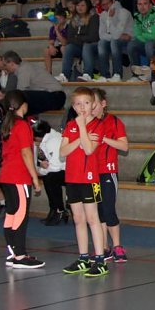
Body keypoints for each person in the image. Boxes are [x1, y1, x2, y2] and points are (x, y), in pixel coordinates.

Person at [60, 87, 108, 278]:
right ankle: (83, 258)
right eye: (78, 104)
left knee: (92, 218)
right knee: (78, 219)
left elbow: (89, 149)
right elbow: (62, 151)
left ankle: (100, 259)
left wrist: (81, 130)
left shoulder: (97, 125)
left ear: (93, 105)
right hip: (72, 178)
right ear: (73, 106)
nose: (82, 107)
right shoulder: (70, 125)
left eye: (86, 103)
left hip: (90, 179)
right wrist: (78, 140)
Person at [0, 91, 44, 268]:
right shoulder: (22, 125)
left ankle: (12, 252)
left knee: (11, 213)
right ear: (23, 105)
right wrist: (35, 178)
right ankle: (20, 254)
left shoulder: (8, 124)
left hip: (7, 176)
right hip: (18, 177)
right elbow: (26, 153)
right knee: (21, 214)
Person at [91, 89, 129, 264]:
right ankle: (104, 247)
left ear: (103, 104)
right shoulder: (85, 124)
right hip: (91, 173)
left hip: (107, 171)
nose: (90, 107)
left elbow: (124, 146)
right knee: (97, 211)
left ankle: (118, 246)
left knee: (108, 208)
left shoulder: (114, 121)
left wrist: (104, 139)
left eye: (94, 103)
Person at [1, 51, 66, 115]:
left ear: (11, 63)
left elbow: (19, 93)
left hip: (56, 97)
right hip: (54, 96)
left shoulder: (24, 69)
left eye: (5, 65)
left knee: (20, 97)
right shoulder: (21, 68)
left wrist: (5, 97)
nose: (4, 67)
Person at [33, 119, 66, 227]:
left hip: (67, 170)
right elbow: (42, 161)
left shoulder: (54, 141)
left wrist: (41, 170)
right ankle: (54, 208)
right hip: (56, 169)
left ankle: (59, 210)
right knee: (48, 178)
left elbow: (55, 166)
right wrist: (41, 167)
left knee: (51, 177)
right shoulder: (46, 139)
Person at [58, 0, 99, 82]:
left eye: (82, 5)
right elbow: (70, 38)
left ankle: (88, 74)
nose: (80, 8)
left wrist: (78, 37)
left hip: (92, 46)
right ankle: (65, 75)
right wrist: (81, 38)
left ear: (87, 6)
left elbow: (93, 37)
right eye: (78, 5)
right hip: (79, 46)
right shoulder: (74, 19)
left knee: (87, 46)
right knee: (69, 47)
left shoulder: (94, 17)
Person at [97, 0, 134, 82]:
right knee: (101, 43)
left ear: (113, 1)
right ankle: (104, 75)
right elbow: (102, 35)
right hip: (116, 39)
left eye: (108, 3)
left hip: (128, 40)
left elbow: (117, 35)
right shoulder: (103, 15)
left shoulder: (124, 12)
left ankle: (117, 74)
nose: (106, 7)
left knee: (114, 41)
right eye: (103, 5)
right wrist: (114, 36)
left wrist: (109, 19)